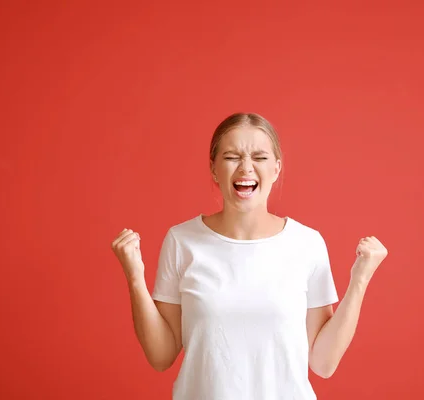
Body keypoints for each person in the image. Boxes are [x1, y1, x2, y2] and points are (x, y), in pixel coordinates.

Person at [111, 112, 389, 400]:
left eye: (260, 157)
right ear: (214, 168)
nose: (246, 168)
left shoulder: (306, 243)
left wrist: (360, 280)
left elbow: (323, 363)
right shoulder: (182, 241)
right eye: (232, 157)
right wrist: (134, 277)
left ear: (277, 168)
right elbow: (161, 356)